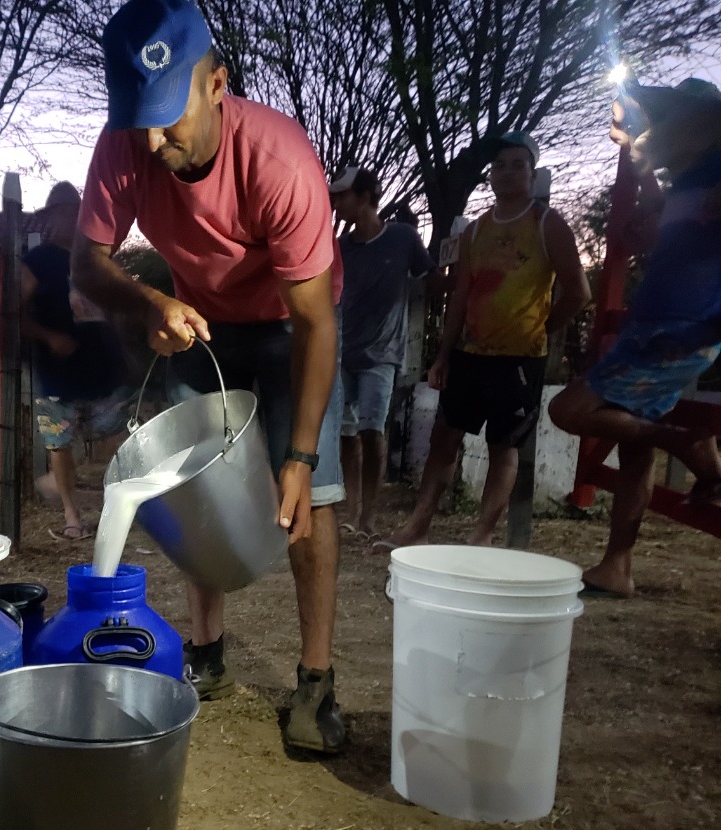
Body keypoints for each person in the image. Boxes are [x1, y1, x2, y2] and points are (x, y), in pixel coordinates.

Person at [70, 0, 347, 753]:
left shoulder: (280, 161)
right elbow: (85, 264)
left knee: (309, 502)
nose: (153, 141)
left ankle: (315, 684)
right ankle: (207, 651)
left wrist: (299, 455)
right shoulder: (125, 146)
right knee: (187, 483)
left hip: (293, 326)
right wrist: (148, 300)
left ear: (217, 83)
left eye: (168, 117)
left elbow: (318, 322)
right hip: (199, 318)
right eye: (137, 121)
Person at [374, 132, 590, 551]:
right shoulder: (476, 231)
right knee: (443, 439)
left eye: (518, 165)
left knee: (503, 446)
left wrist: (540, 331)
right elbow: (460, 296)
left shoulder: (547, 223)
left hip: (519, 360)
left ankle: (482, 537)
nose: (507, 172)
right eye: (500, 165)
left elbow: (579, 291)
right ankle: (417, 527)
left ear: (532, 172)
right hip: (468, 354)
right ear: (490, 175)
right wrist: (442, 355)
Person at [548, 78, 721, 598]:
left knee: (567, 410)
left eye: (673, 117)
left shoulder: (716, 177)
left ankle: (684, 443)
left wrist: (705, 330)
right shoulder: (695, 178)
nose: (661, 126)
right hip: (660, 327)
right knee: (633, 450)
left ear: (704, 123)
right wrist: (637, 158)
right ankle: (616, 566)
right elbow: (669, 223)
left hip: (675, 332)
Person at [22, 181, 135, 541]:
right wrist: (49, 337)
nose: (73, 219)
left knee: (117, 438)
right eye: (65, 213)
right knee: (59, 444)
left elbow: (114, 308)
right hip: (58, 373)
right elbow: (15, 316)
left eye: (78, 212)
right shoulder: (34, 262)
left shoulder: (95, 260)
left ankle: (118, 509)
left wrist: (125, 350)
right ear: (52, 217)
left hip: (102, 365)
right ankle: (73, 517)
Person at [329, 166, 435, 543]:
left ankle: (369, 517)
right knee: (346, 434)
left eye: (342, 196)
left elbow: (429, 279)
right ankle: (352, 511)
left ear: (364, 196)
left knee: (374, 432)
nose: (336, 203)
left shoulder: (403, 238)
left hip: (383, 353)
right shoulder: (338, 248)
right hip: (342, 352)